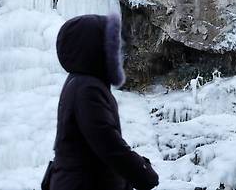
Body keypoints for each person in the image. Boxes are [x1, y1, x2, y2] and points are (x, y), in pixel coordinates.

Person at [49, 14, 159, 190]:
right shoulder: (88, 88)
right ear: (94, 48)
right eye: (112, 45)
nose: (118, 52)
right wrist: (142, 173)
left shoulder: (80, 82)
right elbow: (107, 143)